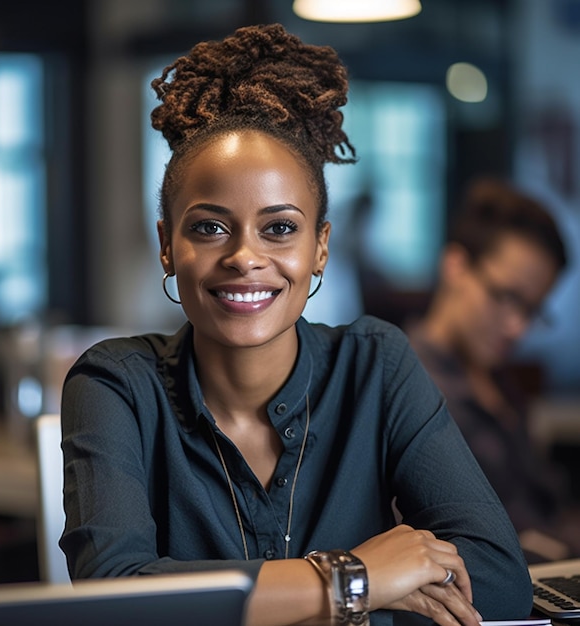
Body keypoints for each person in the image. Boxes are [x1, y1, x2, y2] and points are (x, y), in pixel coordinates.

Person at [60, 24, 532, 626]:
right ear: (167, 246)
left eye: (279, 228)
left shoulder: (377, 364)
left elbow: (496, 580)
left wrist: (249, 603)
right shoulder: (115, 385)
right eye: (209, 227)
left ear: (320, 249)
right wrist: (355, 582)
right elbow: (114, 595)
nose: (244, 256)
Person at [407, 177, 580, 563]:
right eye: (506, 298)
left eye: (531, 310)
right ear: (456, 266)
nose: (517, 327)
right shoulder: (408, 386)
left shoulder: (499, 380)